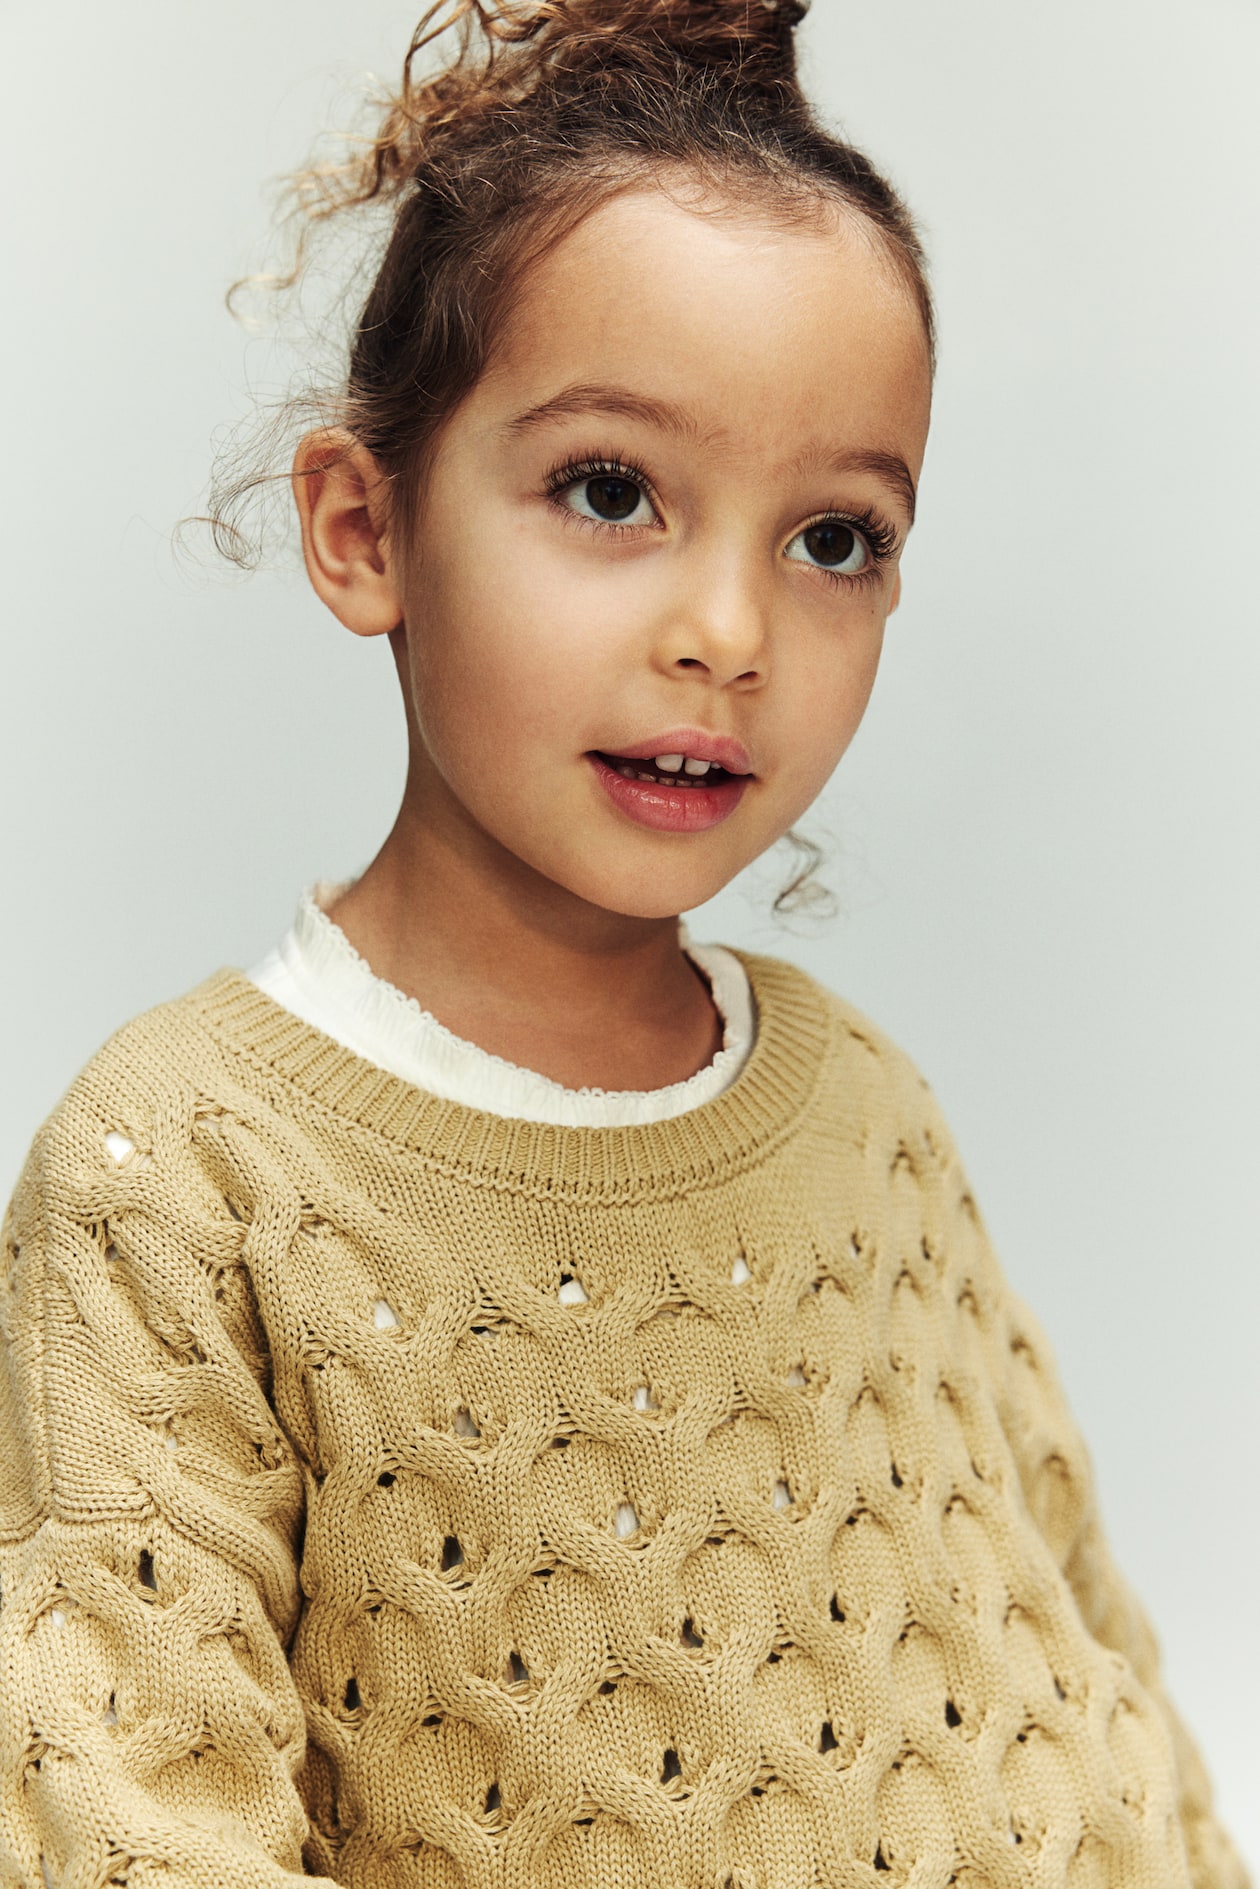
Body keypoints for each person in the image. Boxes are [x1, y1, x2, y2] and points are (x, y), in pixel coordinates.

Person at [0, 1, 1247, 1885]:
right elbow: (130, 1823)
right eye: (611, 492)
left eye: (836, 539)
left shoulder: (863, 1109)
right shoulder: (180, 1177)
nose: (730, 632)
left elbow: (1087, 1678)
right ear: (365, 528)